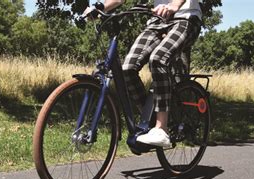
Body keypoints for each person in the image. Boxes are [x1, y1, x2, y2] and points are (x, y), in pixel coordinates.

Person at [84, 0, 202, 147]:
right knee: (127, 68)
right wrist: (99, 8)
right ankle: (149, 121)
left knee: (158, 58)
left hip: (186, 19)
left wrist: (174, 6)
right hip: (157, 21)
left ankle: (161, 128)